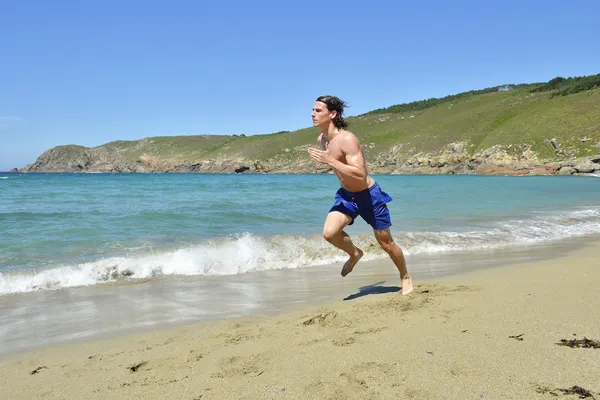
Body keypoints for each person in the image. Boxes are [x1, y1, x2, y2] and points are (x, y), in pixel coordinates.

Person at [307, 95, 413, 295]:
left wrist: (330, 161)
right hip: (347, 196)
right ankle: (354, 253)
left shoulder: (347, 139)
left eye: (318, 111)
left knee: (386, 243)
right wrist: (329, 159)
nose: (312, 114)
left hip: (369, 196)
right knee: (330, 233)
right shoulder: (322, 139)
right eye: (312, 110)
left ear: (332, 114)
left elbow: (360, 173)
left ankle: (405, 277)